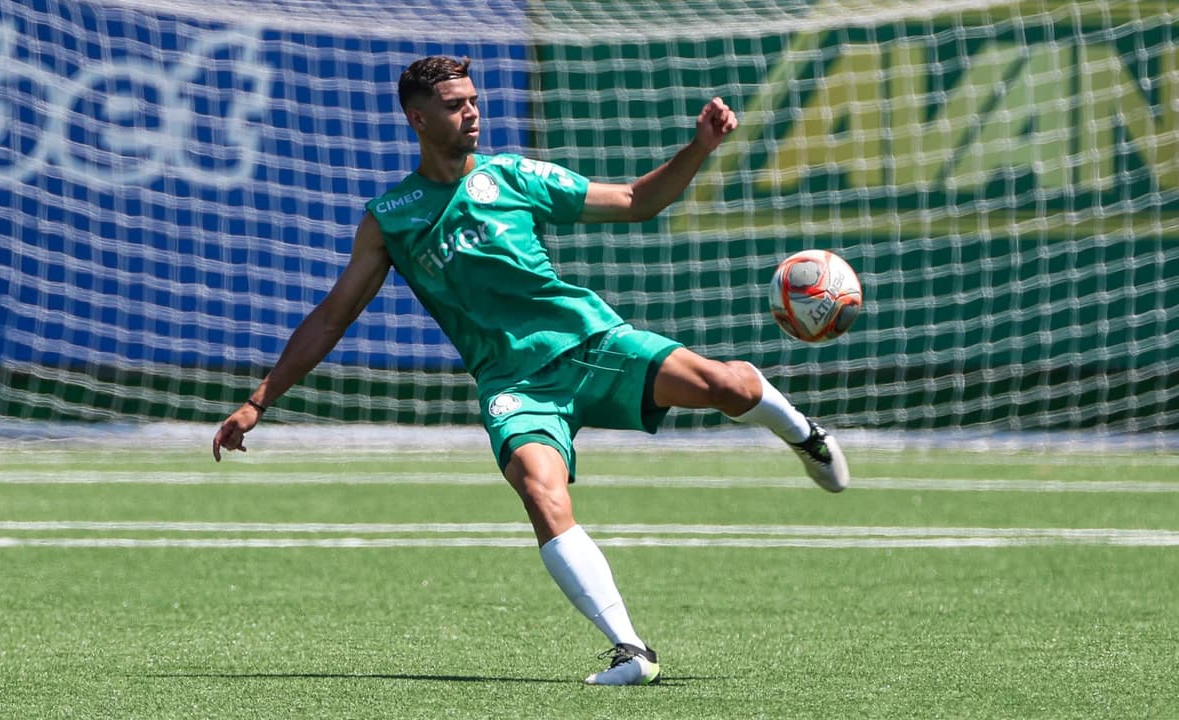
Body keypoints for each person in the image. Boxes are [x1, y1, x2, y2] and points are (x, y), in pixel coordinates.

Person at [212, 55, 849, 686]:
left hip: (590, 343)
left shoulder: (512, 175)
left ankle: (805, 435)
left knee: (729, 386)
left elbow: (632, 201)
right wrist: (259, 401)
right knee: (541, 492)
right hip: (514, 386)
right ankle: (631, 649)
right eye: (456, 104)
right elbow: (331, 317)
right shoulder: (391, 218)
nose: (472, 113)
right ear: (418, 118)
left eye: (474, 100)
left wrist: (700, 145)